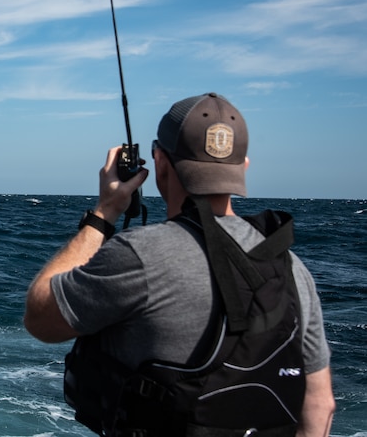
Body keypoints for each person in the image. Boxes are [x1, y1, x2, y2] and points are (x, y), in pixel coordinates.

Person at [24, 93, 335, 436]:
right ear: (243, 167)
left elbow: (41, 319)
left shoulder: (139, 255)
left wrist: (104, 213)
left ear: (159, 163)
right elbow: (320, 405)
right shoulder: (291, 267)